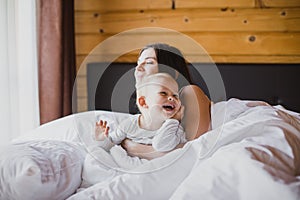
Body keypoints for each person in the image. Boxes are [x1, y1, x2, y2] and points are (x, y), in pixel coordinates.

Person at [122, 43, 212, 160]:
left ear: (172, 71)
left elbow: (196, 149)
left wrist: (134, 148)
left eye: (149, 62)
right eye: (138, 62)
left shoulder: (189, 93)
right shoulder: (153, 106)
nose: (138, 68)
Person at [92, 73, 187, 168]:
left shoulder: (174, 128)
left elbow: (161, 145)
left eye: (175, 96)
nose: (171, 98)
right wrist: (102, 139)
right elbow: (110, 144)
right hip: (130, 165)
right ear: (144, 102)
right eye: (163, 93)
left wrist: (174, 120)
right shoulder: (129, 125)